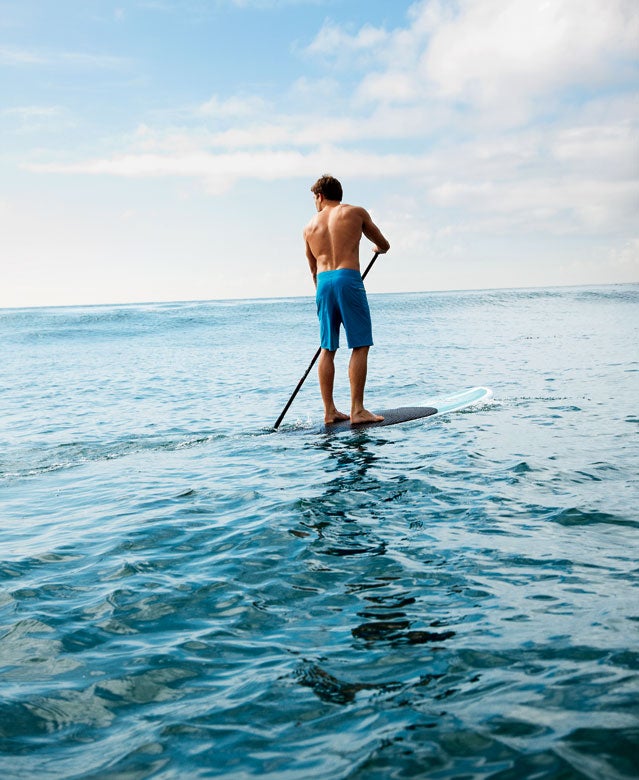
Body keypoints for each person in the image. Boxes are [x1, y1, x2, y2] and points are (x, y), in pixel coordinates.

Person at [303, 174, 390, 425]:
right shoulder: (355, 213)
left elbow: (312, 269)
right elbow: (383, 243)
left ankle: (329, 411)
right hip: (348, 278)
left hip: (323, 283)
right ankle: (357, 410)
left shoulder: (309, 226)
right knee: (360, 344)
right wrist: (379, 249)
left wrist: (323, 294)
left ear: (320, 196)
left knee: (327, 348)